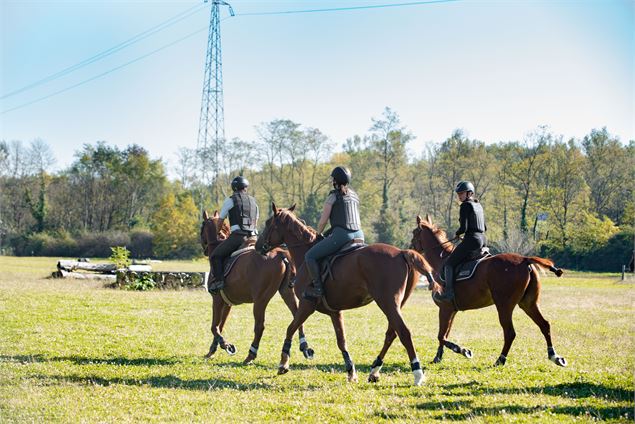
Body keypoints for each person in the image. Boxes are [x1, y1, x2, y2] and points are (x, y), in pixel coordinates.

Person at [303, 166, 364, 300]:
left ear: (335, 180)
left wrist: (318, 233)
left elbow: (323, 221)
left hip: (343, 235)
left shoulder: (333, 196)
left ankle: (318, 289)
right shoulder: (355, 195)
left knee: (310, 256)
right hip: (360, 235)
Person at [435, 181, 487, 303]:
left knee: (449, 264)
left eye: (462, 193)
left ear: (469, 193)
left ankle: (449, 293)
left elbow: (463, 228)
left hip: (472, 240)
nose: (459, 196)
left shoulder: (465, 206)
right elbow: (484, 227)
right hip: (483, 239)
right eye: (458, 193)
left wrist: (458, 234)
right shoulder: (478, 205)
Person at [208, 176, 259, 294]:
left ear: (234, 188)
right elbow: (255, 221)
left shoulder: (230, 200)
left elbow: (220, 220)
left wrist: (217, 232)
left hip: (238, 237)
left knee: (215, 256)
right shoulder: (254, 202)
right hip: (254, 237)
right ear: (246, 187)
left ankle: (219, 282)